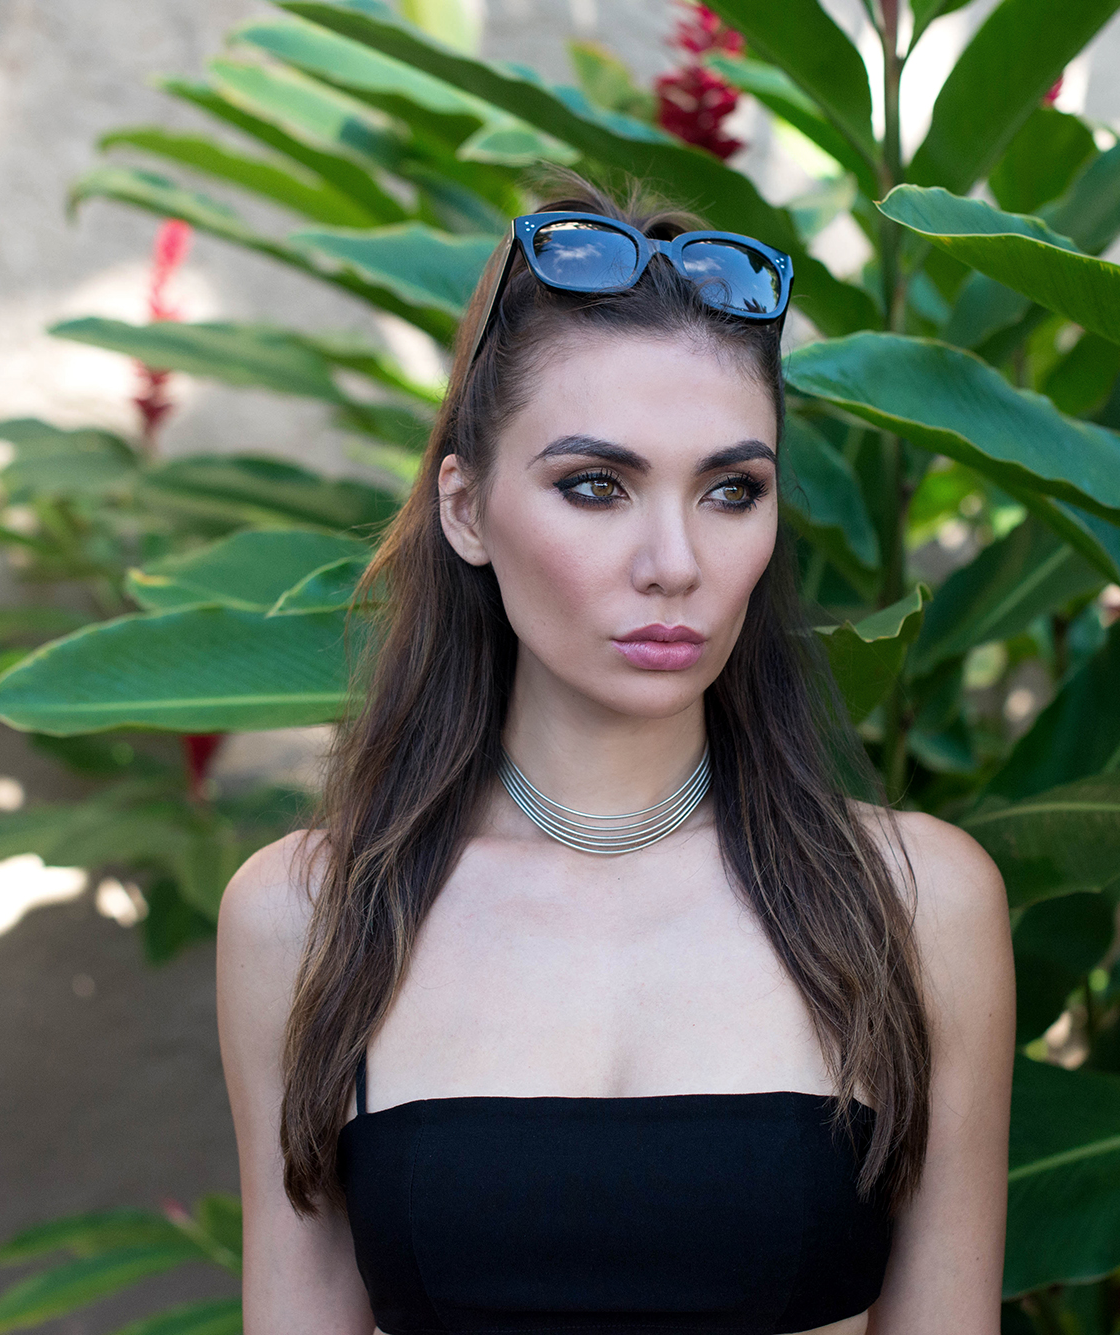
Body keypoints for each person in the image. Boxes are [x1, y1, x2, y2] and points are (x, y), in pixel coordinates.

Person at [218, 172, 1013, 1335]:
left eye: (729, 490)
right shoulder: (311, 916)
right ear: (465, 510)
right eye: (595, 486)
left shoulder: (913, 903)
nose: (673, 562)